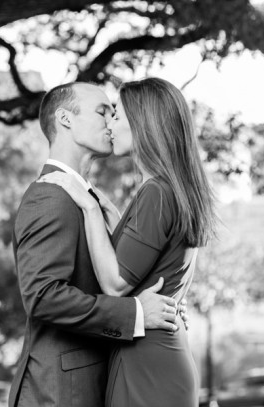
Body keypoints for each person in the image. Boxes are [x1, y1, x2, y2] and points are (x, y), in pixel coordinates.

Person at [39, 77, 217, 407]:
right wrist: (113, 216)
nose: (109, 125)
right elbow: (151, 261)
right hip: (155, 358)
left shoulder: (156, 193)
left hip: (149, 364)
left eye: (116, 115)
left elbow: (115, 284)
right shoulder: (167, 190)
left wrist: (90, 207)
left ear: (142, 123)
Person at [9, 82, 186, 407]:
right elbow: (43, 296)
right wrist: (134, 313)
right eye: (103, 111)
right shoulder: (51, 194)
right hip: (60, 392)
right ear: (65, 119)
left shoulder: (91, 199)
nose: (112, 121)